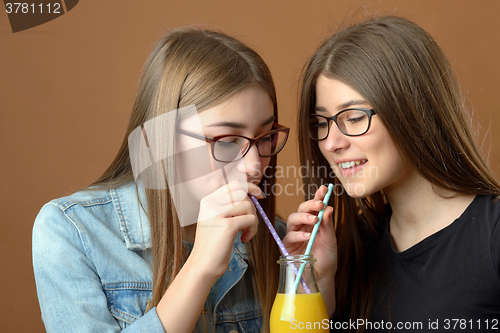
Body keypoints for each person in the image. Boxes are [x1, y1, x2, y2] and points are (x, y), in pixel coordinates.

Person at [32, 27, 290, 333]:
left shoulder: (276, 240)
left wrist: (315, 282)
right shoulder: (73, 231)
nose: (253, 165)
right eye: (225, 140)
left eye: (264, 137)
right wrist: (200, 268)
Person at [285, 15, 500, 332]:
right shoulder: (351, 251)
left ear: (412, 110)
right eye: (321, 123)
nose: (331, 143)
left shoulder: (493, 235)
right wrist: (322, 289)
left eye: (355, 117)